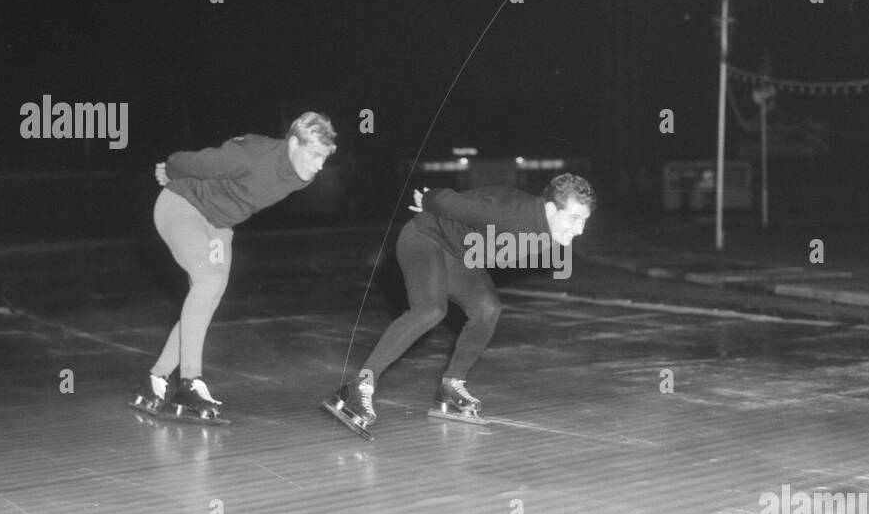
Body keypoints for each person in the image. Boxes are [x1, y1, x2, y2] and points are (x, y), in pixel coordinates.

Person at [326, 172, 596, 433]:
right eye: (574, 218)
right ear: (550, 208)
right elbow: (446, 201)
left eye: (584, 220)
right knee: (430, 310)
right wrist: (428, 199)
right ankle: (358, 386)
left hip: (458, 255)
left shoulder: (548, 235)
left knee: (487, 309)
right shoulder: (507, 212)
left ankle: (451, 386)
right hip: (425, 238)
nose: (580, 230)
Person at [130, 112, 337, 421]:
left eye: (324, 158)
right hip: (181, 206)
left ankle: (155, 379)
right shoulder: (250, 154)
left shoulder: (301, 177)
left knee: (210, 295)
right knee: (209, 280)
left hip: (219, 226)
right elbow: (195, 162)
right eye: (315, 155)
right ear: (293, 142)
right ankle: (190, 381)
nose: (319, 166)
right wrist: (169, 169)